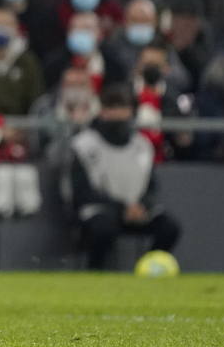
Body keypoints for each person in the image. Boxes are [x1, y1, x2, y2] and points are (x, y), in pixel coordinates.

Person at [66, 85, 180, 270]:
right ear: (102, 111)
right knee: (102, 229)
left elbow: (152, 186)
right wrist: (121, 207)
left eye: (122, 107)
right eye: (111, 107)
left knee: (169, 227)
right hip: (101, 210)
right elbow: (81, 192)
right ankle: (94, 272)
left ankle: (150, 268)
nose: (117, 114)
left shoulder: (142, 145)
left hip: (136, 210)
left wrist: (142, 205)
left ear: (131, 111)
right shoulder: (84, 145)